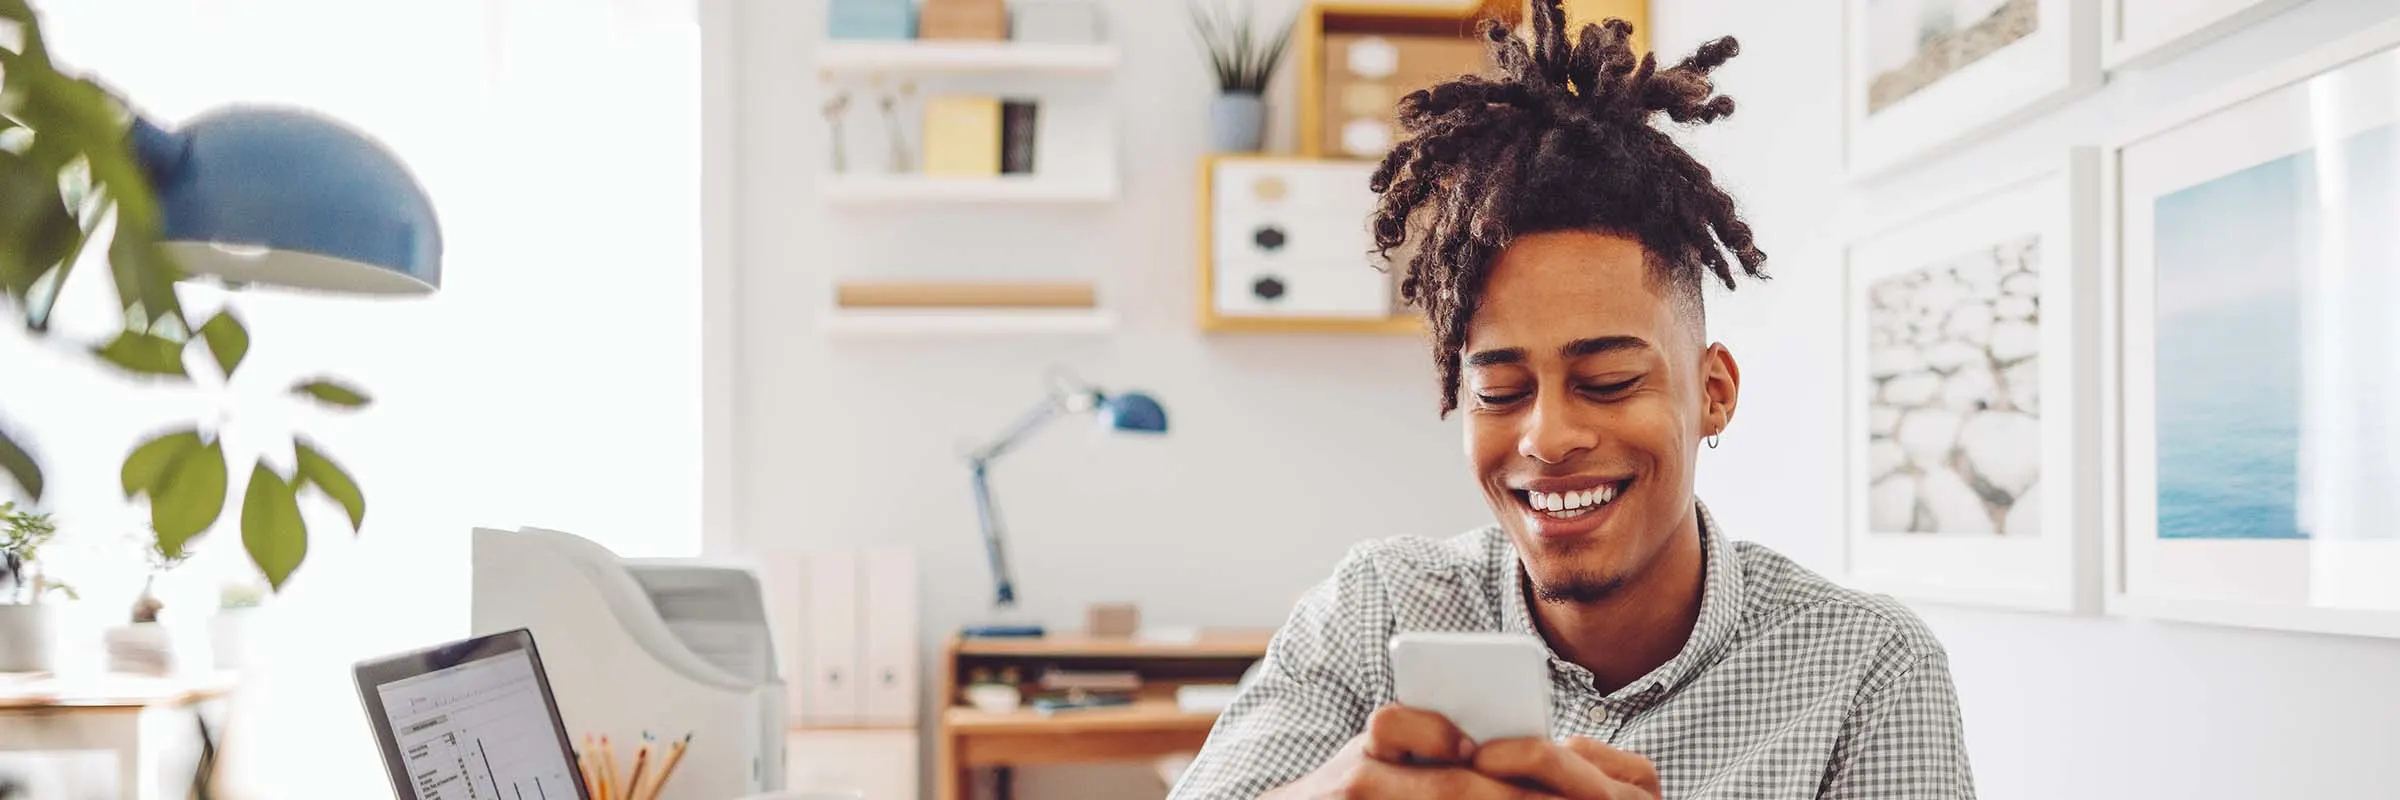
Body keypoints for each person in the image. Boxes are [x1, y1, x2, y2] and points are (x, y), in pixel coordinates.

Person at [1166, 4, 1974, 799]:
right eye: (1500, 391)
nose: (1547, 437)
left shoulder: (1867, 670)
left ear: (1713, 392)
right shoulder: (1373, 613)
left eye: (1609, 382)